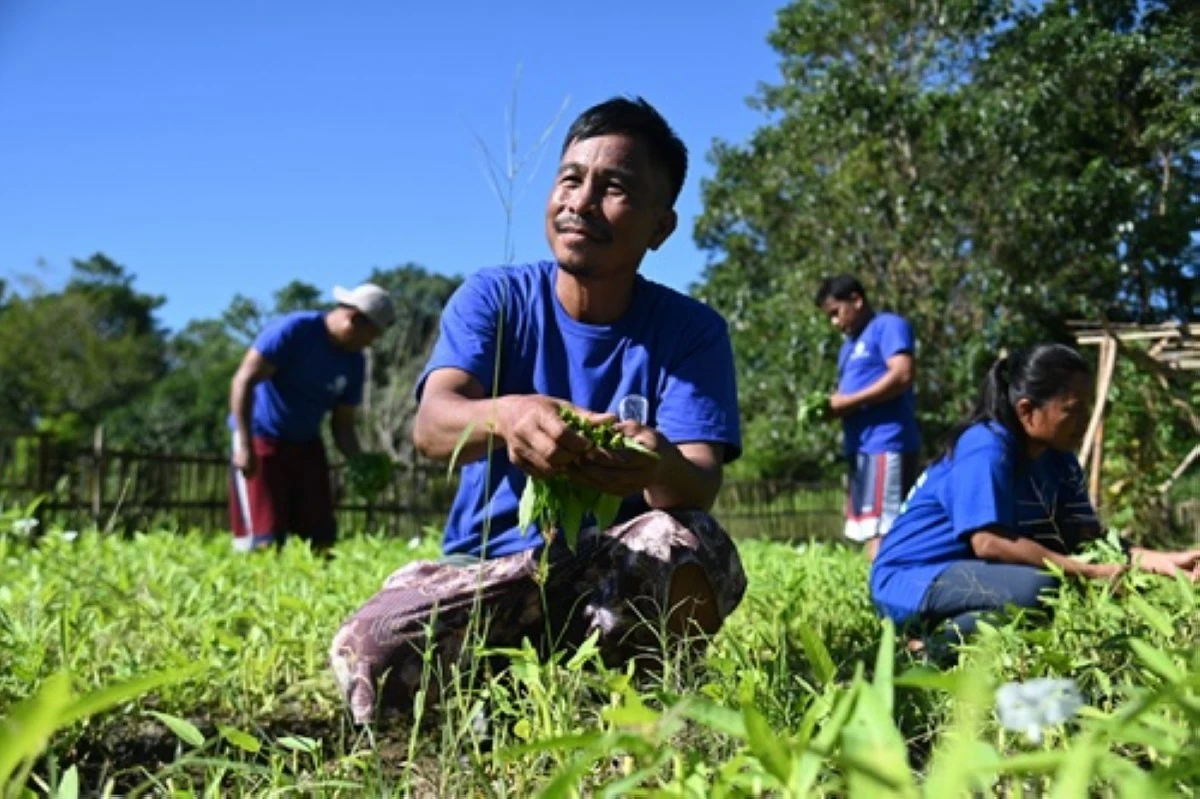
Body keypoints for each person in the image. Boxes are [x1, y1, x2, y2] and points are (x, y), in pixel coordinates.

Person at [329, 96, 746, 724]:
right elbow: (432, 425)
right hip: (486, 570)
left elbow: (698, 480)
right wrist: (509, 416)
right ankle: (504, 683)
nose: (581, 202)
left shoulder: (691, 332)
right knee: (373, 650)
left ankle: (647, 700)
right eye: (570, 179)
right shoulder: (495, 297)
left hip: (611, 568)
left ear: (661, 227)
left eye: (615, 188)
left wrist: (655, 463)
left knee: (684, 542)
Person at [870, 343, 1200, 647]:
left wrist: (1164, 562)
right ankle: (932, 648)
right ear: (1028, 411)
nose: (1087, 420)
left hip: (973, 576)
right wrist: (1086, 572)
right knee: (1042, 589)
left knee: (1053, 588)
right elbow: (988, 542)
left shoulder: (1060, 457)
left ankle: (931, 636)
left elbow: (1089, 539)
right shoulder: (985, 446)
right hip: (913, 578)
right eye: (1073, 409)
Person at [227, 283, 396, 552]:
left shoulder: (354, 361)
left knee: (321, 536)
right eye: (371, 335)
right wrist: (245, 445)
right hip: (262, 436)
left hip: (306, 442)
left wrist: (360, 463)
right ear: (353, 320)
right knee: (265, 540)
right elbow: (243, 380)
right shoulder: (295, 331)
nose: (370, 343)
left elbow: (343, 424)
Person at [814, 274, 921, 560]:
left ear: (856, 300)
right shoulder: (848, 348)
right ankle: (871, 588)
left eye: (836, 313)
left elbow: (902, 374)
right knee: (867, 527)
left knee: (885, 528)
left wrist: (850, 401)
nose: (835, 323)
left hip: (886, 442)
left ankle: (885, 590)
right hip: (860, 447)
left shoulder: (887, 327)